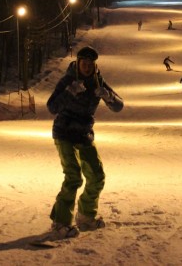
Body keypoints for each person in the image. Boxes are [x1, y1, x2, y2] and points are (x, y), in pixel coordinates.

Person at [46, 46, 124, 239]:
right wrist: (70, 92)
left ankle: (86, 216)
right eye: (84, 63)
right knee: (73, 177)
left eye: (90, 64)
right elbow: (52, 106)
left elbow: (119, 106)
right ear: (78, 63)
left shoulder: (98, 81)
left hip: (84, 134)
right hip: (64, 132)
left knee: (97, 176)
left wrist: (108, 96)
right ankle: (60, 222)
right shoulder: (68, 80)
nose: (87, 67)